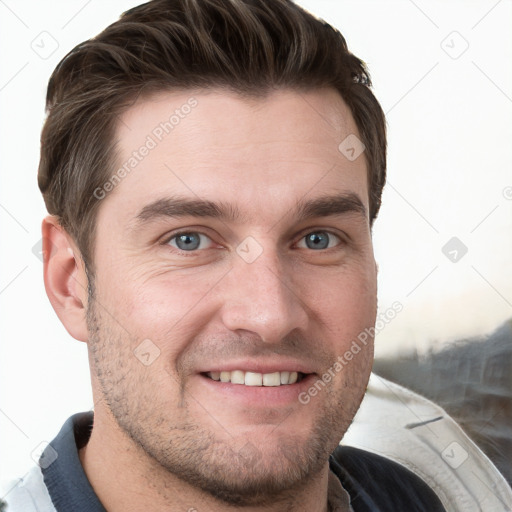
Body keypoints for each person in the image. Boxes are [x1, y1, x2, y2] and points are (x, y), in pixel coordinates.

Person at [1, 0, 501, 510]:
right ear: (71, 281)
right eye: (188, 240)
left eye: (317, 238)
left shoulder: (444, 492)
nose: (270, 315)